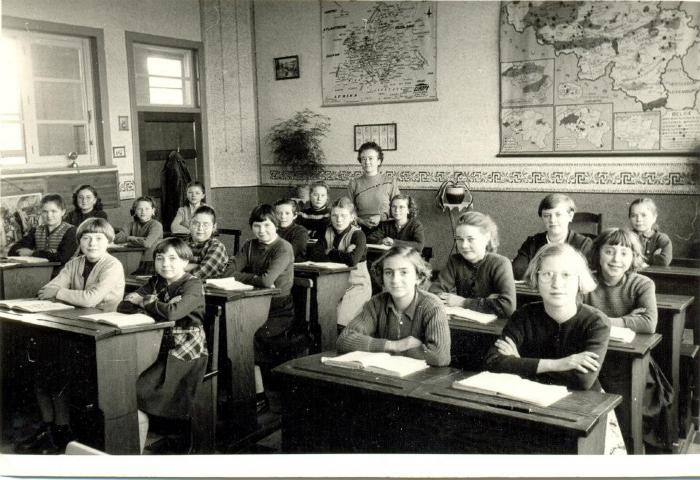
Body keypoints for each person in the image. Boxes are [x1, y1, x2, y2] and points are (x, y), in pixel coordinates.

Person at [485, 243, 626, 454]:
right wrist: (561, 364)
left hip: (582, 409)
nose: (556, 283)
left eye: (566, 275)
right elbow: (493, 362)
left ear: (579, 281)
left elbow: (583, 380)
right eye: (547, 274)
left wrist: (519, 363)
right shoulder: (524, 315)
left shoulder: (597, 322)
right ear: (536, 278)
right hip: (528, 401)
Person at [15, 218, 124, 454]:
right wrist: (67, 293)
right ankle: (50, 428)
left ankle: (63, 432)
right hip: (70, 328)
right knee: (42, 370)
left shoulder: (112, 265)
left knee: (58, 374)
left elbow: (90, 299)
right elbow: (45, 291)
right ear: (80, 241)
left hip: (101, 336)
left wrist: (62, 292)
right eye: (86, 238)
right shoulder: (75, 263)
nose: (92, 243)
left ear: (108, 242)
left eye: (98, 238)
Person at [584, 228, 672, 451]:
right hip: (592, 358)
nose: (616, 259)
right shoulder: (585, 281)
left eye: (624, 253)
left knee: (630, 411)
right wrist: (627, 319)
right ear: (598, 253)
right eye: (609, 251)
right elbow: (576, 318)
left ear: (633, 257)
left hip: (630, 365)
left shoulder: (642, 284)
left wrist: (598, 320)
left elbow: (648, 323)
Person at [118, 237, 208, 453]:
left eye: (172, 258)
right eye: (160, 258)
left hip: (185, 348)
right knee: (124, 382)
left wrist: (145, 302)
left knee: (137, 391)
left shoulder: (193, 284)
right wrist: (154, 304)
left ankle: (140, 446)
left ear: (186, 262)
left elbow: (173, 313)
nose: (165, 264)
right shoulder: (156, 281)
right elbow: (124, 305)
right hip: (158, 342)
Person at [223, 204, 295, 411]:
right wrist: (253, 278)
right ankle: (242, 391)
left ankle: (259, 396)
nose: (261, 230)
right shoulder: (249, 245)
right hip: (252, 305)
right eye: (256, 225)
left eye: (267, 225)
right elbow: (228, 271)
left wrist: (249, 278)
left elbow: (267, 281)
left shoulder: (283, 248)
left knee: (249, 337)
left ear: (276, 225)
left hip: (278, 309)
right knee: (231, 333)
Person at [337, 246, 451, 367]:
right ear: (382, 277)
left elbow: (440, 357)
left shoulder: (432, 306)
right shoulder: (376, 303)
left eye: (404, 272)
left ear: (419, 277)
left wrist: (383, 348)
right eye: (388, 272)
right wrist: (396, 345)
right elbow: (344, 340)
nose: (395, 280)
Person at [429, 211, 516, 319]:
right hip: (462, 324)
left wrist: (463, 302)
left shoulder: (501, 264)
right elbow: (433, 294)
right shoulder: (455, 261)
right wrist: (488, 302)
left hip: (491, 330)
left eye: (470, 239)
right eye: (459, 239)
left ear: (486, 237)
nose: (464, 245)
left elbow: (507, 307)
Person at [308, 197, 372, 328]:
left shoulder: (358, 235)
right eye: (334, 215)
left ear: (352, 217)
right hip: (332, 283)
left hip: (356, 285)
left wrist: (330, 252)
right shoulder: (326, 231)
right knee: (319, 315)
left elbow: (352, 260)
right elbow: (315, 255)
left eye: (343, 215)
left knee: (340, 318)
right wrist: (343, 254)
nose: (339, 219)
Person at [511, 193, 592, 280]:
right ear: (542, 217)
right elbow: (517, 271)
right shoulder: (532, 243)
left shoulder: (583, 244)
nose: (552, 220)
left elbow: (586, 277)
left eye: (558, 215)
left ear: (570, 216)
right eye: (547, 216)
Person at [8, 194, 77, 272]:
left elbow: (61, 258)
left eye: (53, 211)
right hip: (40, 274)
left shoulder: (71, 231)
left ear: (63, 212)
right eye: (45, 211)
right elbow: (13, 250)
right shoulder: (36, 230)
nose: (49, 215)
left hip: (64, 276)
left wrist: (32, 253)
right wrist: (49, 253)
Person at [347, 142, 400, 232]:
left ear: (379, 161)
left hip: (386, 228)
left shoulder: (390, 182)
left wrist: (381, 217)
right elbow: (349, 210)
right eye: (363, 159)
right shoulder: (354, 183)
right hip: (360, 229)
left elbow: (398, 207)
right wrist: (361, 221)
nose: (367, 162)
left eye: (370, 158)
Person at [114, 196, 164, 275]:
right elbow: (116, 238)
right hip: (135, 261)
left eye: (147, 209)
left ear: (153, 211)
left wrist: (128, 242)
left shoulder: (156, 225)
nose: (143, 212)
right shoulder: (130, 225)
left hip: (151, 262)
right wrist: (131, 238)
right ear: (134, 211)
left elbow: (147, 244)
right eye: (139, 209)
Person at [185, 205, 228, 280]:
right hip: (182, 287)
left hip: (209, 289)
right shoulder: (182, 243)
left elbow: (201, 273)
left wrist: (182, 269)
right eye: (196, 223)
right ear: (190, 224)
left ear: (214, 227)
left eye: (206, 225)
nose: (200, 228)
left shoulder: (216, 246)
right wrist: (196, 265)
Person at [628, 197, 672, 266]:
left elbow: (664, 260)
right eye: (633, 215)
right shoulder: (626, 237)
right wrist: (653, 257)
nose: (638, 219)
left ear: (654, 218)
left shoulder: (662, 238)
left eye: (644, 215)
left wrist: (638, 259)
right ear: (629, 218)